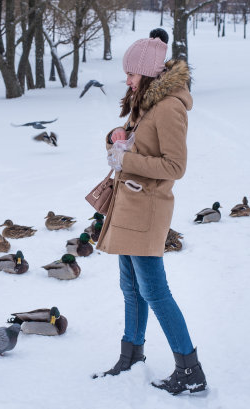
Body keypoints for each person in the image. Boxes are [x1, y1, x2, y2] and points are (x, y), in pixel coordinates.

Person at [94, 29, 207, 395]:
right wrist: (117, 136)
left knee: (155, 290)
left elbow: (175, 166)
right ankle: (131, 356)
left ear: (150, 72)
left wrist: (129, 158)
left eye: (131, 73)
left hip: (147, 211)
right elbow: (136, 143)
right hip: (127, 206)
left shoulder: (170, 106)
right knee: (131, 287)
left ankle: (190, 370)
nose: (126, 79)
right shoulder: (144, 102)